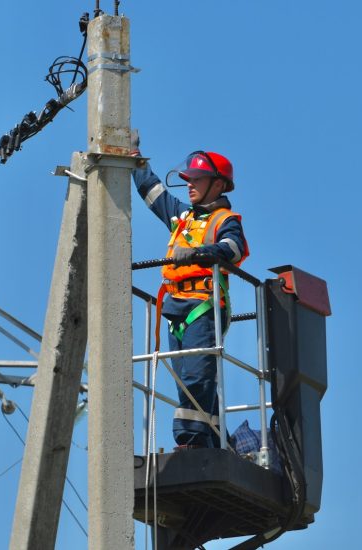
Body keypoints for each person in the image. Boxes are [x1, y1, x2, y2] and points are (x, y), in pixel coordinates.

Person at [131, 143, 249, 450]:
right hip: (174, 312)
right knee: (190, 380)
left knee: (196, 376)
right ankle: (214, 441)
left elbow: (232, 250)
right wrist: (136, 160)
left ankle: (192, 444)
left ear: (218, 184)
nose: (189, 184)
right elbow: (153, 194)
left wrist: (197, 254)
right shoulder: (183, 217)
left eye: (196, 179)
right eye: (188, 178)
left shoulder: (226, 221)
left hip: (202, 308)